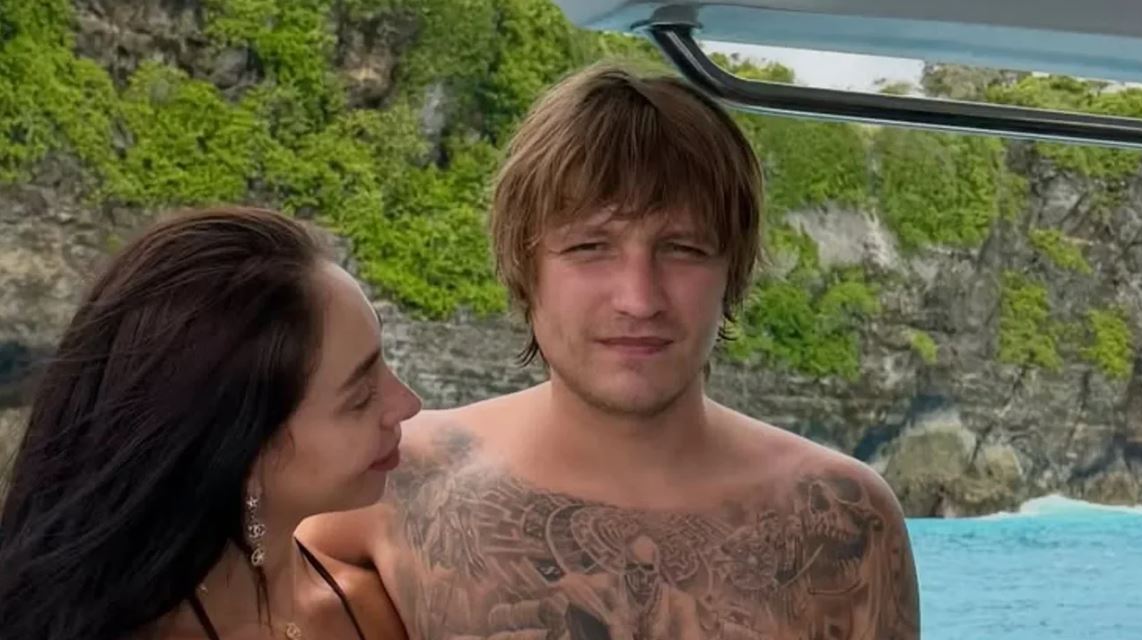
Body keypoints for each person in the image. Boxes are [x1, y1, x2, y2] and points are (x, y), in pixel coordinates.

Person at [299, 62, 921, 639]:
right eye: (589, 248)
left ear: (731, 274)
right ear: (525, 269)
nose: (639, 298)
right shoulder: (394, 481)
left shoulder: (846, 521)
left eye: (683, 249)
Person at [0, 207, 421, 639]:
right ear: (241, 450)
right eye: (360, 397)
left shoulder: (382, 602)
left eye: (382, 359)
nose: (410, 403)